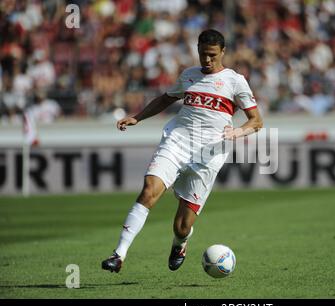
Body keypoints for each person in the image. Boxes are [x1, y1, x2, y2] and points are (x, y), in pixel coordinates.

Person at [101, 29, 263, 273]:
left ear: (223, 52)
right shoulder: (188, 75)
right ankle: (118, 255)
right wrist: (138, 117)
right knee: (149, 190)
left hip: (209, 154)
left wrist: (237, 132)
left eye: (212, 55)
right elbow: (166, 99)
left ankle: (180, 243)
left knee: (182, 226)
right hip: (178, 142)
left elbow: (256, 121)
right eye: (202, 54)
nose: (206, 60)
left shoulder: (235, 81)